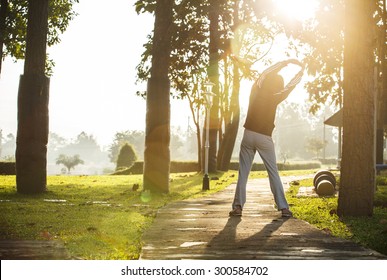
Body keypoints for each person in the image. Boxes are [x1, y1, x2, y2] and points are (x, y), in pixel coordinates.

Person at [229, 59, 304, 218]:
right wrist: (301, 71)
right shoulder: (276, 96)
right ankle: (284, 208)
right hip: (264, 138)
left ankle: (238, 207)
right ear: (278, 85)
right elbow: (291, 86)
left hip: (248, 134)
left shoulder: (255, 90)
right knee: (273, 172)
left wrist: (284, 63)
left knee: (243, 173)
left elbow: (265, 72)